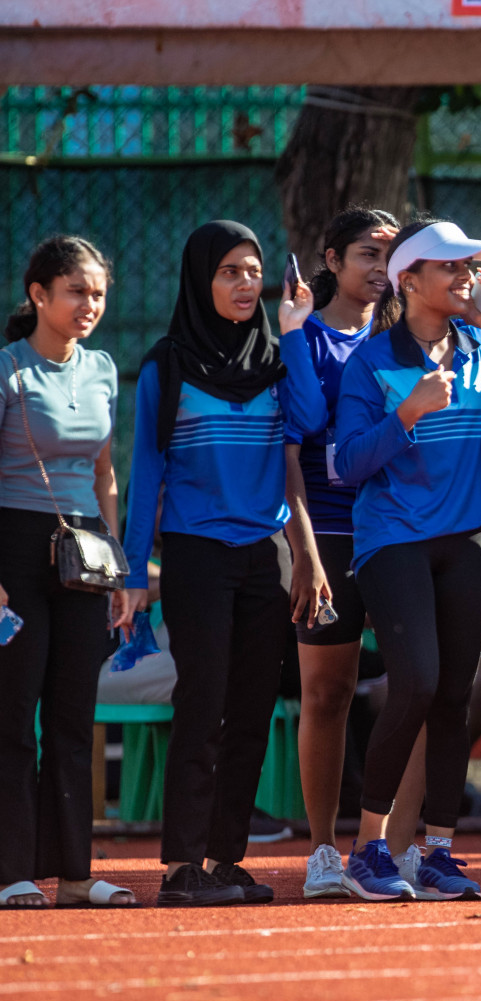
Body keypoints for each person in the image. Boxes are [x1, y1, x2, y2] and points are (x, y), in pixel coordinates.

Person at [120, 221, 327, 906]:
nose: (244, 284)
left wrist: (296, 330)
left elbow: (310, 420)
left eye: (252, 271)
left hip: (262, 557)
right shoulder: (166, 365)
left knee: (251, 711)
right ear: (201, 279)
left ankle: (225, 859)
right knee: (202, 703)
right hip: (195, 555)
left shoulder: (276, 358)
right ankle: (181, 868)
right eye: (229, 272)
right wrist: (129, 573)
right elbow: (146, 472)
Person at [332, 218, 481, 900]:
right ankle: (368, 850)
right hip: (393, 541)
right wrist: (408, 414)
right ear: (408, 279)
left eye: (470, 267)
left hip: (466, 541)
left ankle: (438, 852)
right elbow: (347, 463)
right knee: (415, 682)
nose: (467, 277)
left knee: (455, 694)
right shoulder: (370, 360)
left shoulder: (479, 343)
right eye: (451, 267)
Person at [0, 236, 136, 909]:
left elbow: (106, 473)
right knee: (13, 718)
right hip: (15, 549)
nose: (90, 305)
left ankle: (78, 875)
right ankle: (13, 871)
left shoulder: (104, 368)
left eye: (99, 294)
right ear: (38, 295)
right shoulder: (7, 371)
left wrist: (119, 563)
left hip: (86, 554)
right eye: (77, 291)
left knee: (75, 719)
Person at [275, 206, 401, 899]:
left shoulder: (409, 342)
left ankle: (396, 847)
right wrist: (306, 551)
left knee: (419, 685)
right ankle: (324, 850)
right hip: (326, 535)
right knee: (327, 692)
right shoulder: (306, 337)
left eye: (391, 255)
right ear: (331, 261)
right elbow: (298, 438)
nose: (381, 269)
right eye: (367, 254)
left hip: (398, 532)